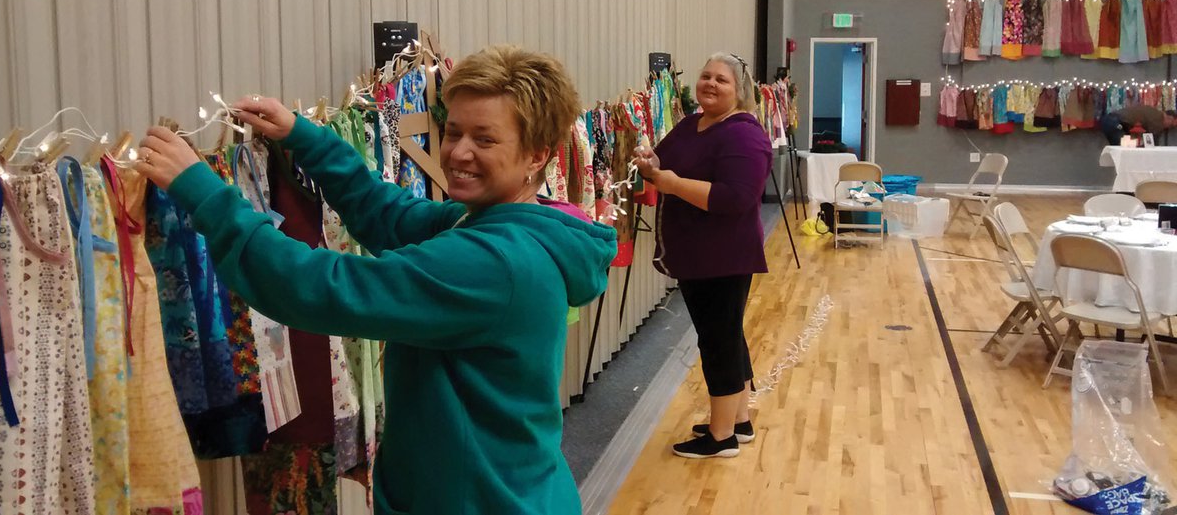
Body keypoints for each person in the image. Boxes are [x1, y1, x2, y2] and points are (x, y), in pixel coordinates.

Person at [136, 45, 617, 514]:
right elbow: (392, 215)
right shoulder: (508, 222)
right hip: (504, 487)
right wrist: (305, 138)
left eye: (485, 140)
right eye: (453, 132)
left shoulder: (495, 262)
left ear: (536, 156)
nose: (458, 152)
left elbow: (325, 287)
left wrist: (204, 193)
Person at [633, 52, 773, 459]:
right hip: (699, 255)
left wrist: (673, 184)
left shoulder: (743, 135)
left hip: (723, 256)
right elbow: (666, 161)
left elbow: (736, 197)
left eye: (721, 80)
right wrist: (651, 164)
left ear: (739, 90)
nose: (710, 84)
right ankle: (739, 421)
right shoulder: (692, 124)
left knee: (718, 341)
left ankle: (721, 436)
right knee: (727, 334)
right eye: (706, 76)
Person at [1100, 104, 1177, 145]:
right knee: (1124, 150)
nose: (1168, 128)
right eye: (1171, 125)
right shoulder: (1158, 119)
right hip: (1117, 123)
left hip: (1111, 120)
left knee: (1121, 150)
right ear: (1168, 118)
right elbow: (1152, 141)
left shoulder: (1153, 112)